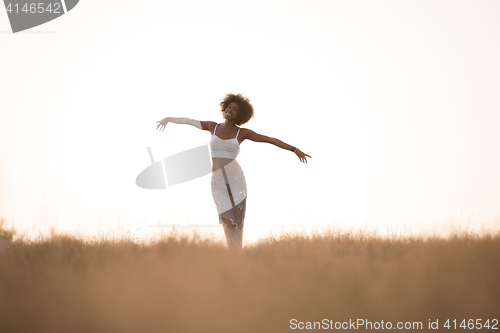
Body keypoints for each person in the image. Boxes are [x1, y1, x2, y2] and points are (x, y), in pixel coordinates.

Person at [156, 93, 311, 248]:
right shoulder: (212, 126)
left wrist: (294, 149)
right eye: (229, 106)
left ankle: (237, 258)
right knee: (227, 221)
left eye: (235, 109)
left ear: (239, 115)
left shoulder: (241, 133)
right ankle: (233, 255)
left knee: (238, 224)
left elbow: (269, 139)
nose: (230, 110)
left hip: (236, 181)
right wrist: (169, 119)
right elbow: (188, 121)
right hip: (217, 183)